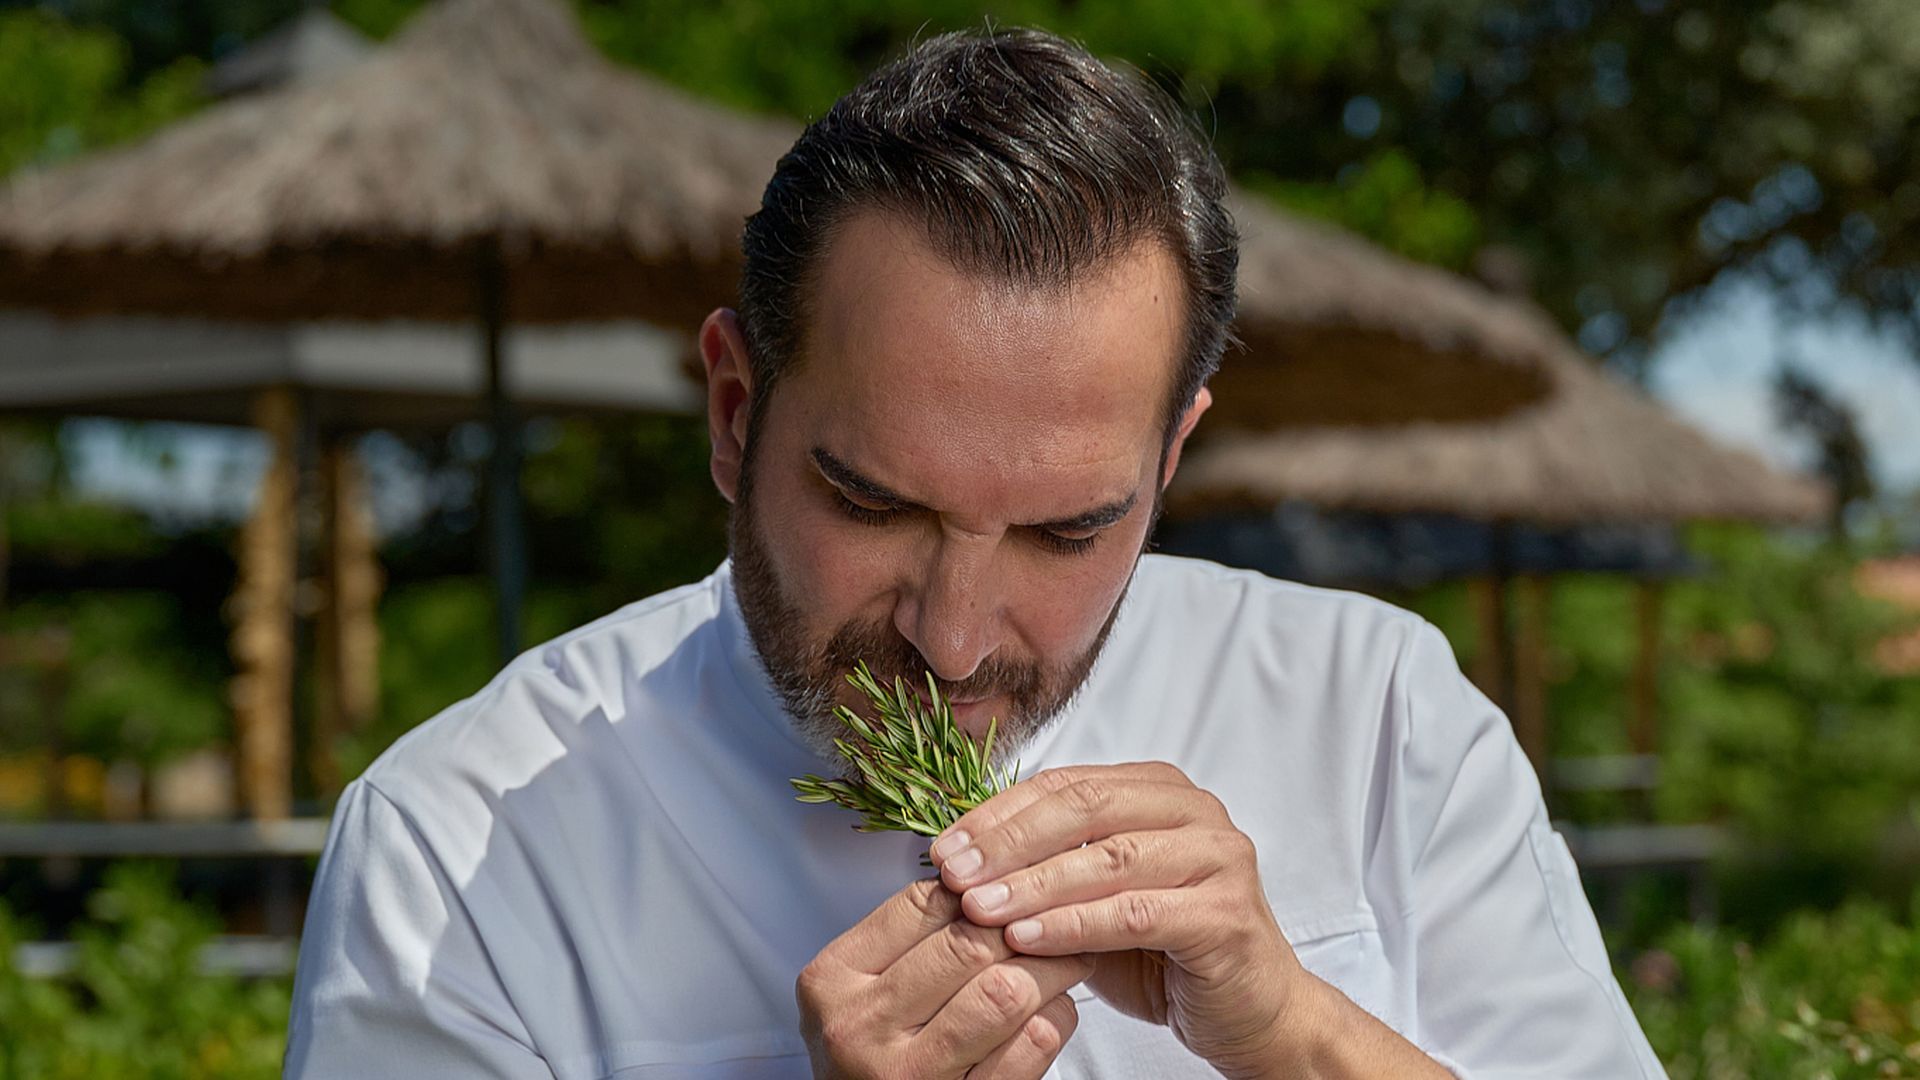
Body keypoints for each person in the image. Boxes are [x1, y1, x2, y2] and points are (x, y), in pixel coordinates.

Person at [285, 27, 1666, 1080]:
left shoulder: (1374, 713)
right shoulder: (457, 856)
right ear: (732, 411)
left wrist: (1295, 1028)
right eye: (874, 504)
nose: (955, 637)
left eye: (1069, 529)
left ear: (1172, 457)